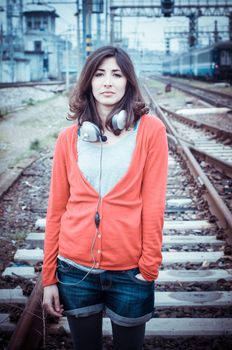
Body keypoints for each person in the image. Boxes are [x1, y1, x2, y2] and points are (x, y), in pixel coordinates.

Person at [42, 45, 168, 350]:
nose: (108, 82)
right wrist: (49, 278)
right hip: (74, 271)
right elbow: (56, 209)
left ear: (128, 82)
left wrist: (148, 268)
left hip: (130, 273)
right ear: (88, 81)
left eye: (117, 74)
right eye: (99, 74)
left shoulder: (150, 131)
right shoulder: (68, 138)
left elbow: (154, 205)